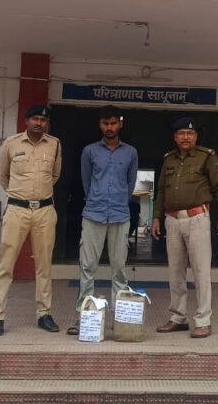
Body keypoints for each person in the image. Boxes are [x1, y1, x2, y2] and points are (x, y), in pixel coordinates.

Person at [151, 116, 218, 339]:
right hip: (172, 219)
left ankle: (203, 321)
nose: (185, 137)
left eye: (190, 133)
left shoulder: (207, 156)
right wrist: (156, 217)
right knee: (175, 272)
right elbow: (161, 192)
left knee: (201, 271)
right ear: (175, 137)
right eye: (181, 133)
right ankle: (178, 318)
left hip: (197, 218)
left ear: (196, 136)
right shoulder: (169, 159)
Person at [0, 105, 62, 336]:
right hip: (17, 210)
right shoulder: (11, 143)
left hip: (44, 211)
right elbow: (3, 176)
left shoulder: (55, 144)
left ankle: (44, 314)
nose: (39, 123)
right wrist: (20, 194)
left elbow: (55, 175)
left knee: (44, 266)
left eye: (43, 120)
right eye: (35, 119)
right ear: (26, 121)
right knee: (5, 265)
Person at [66, 105, 138, 336]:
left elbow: (130, 183)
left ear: (120, 124)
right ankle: (84, 317)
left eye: (113, 123)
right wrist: (96, 200)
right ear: (100, 125)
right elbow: (86, 181)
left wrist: (120, 201)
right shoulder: (89, 151)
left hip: (120, 215)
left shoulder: (131, 152)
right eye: (106, 123)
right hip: (93, 214)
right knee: (87, 267)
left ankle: (120, 321)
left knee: (119, 270)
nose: (109, 127)